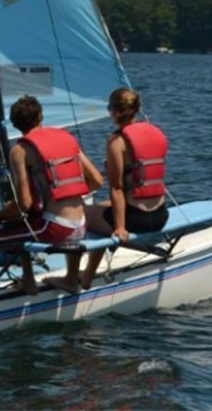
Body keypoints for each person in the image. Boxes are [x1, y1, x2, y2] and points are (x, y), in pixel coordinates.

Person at [0, 95, 103, 294]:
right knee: (23, 225)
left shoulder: (19, 150)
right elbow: (97, 180)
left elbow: (23, 205)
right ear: (40, 116)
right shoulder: (66, 138)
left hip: (54, 229)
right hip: (81, 225)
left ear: (15, 124)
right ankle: (38, 280)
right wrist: (65, 194)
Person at [80, 88, 169, 289]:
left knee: (81, 214)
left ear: (116, 111)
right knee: (103, 207)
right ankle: (88, 274)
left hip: (136, 220)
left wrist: (120, 228)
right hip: (161, 215)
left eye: (109, 108)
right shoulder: (155, 131)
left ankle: (77, 277)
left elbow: (117, 188)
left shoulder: (116, 141)